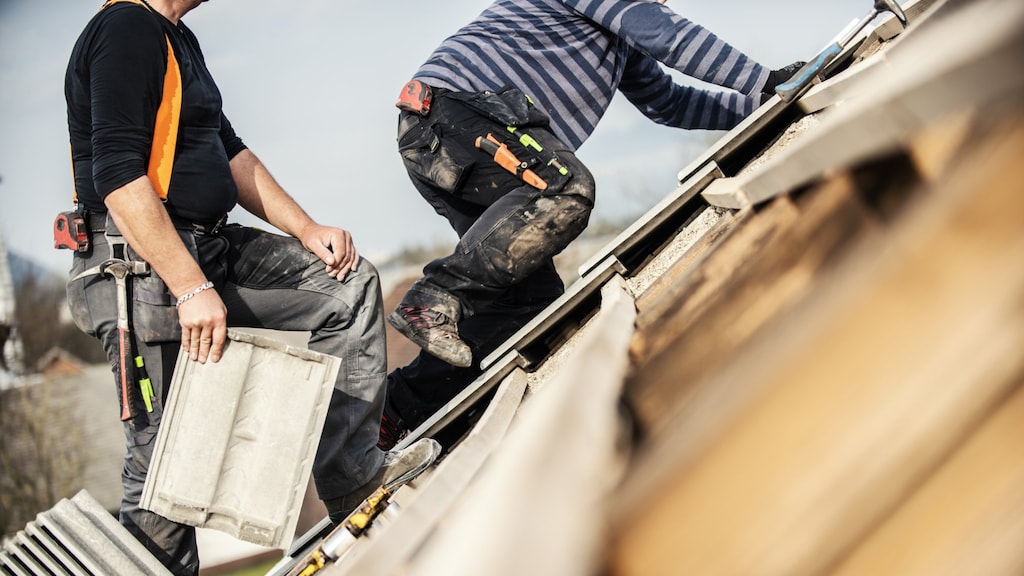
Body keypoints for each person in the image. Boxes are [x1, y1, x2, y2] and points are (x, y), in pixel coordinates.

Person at [63, 1, 439, 574]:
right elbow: (117, 176)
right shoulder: (125, 28)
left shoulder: (177, 37)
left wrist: (307, 228)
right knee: (166, 459)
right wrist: (189, 288)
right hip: (139, 265)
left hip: (208, 245)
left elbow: (230, 153)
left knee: (347, 286)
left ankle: (351, 481)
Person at [378, 0, 803, 449]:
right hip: (458, 113)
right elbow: (669, 36)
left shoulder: (619, 39)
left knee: (525, 303)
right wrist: (768, 79)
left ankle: (394, 411)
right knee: (565, 190)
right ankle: (436, 296)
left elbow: (669, 102)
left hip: (436, 136)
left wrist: (763, 99)